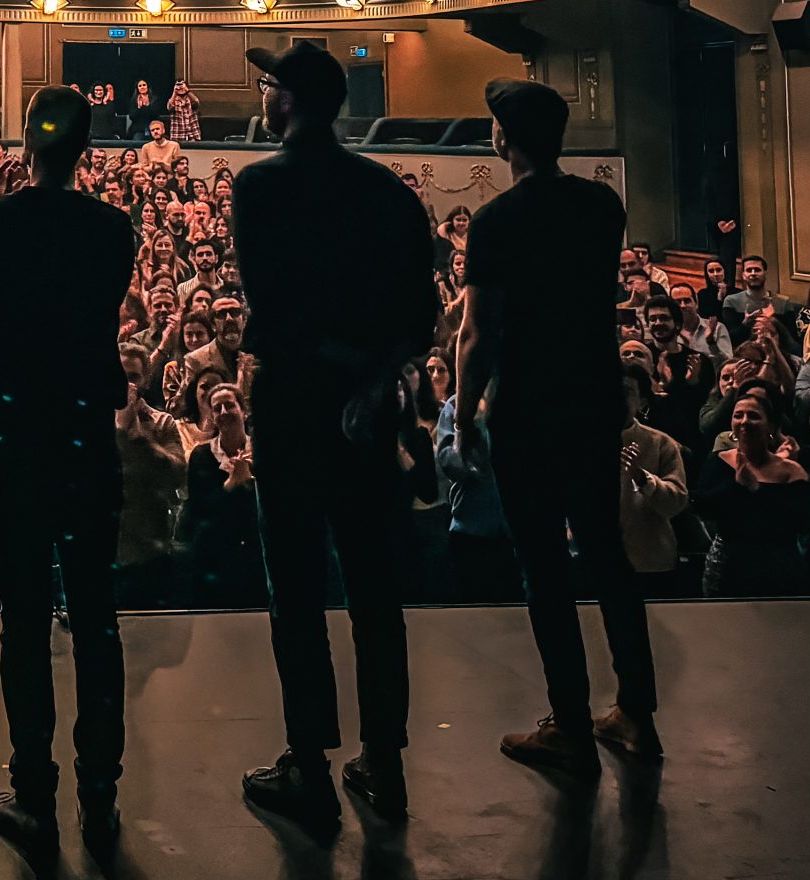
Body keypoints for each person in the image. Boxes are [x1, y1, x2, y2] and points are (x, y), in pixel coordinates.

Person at [233, 43, 438, 832]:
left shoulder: (261, 185)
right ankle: (384, 762)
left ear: (290, 101)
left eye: (269, 85)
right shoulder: (385, 190)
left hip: (292, 402)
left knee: (296, 587)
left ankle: (309, 766)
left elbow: (273, 303)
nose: (263, 95)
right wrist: (373, 376)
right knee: (375, 590)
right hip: (368, 407)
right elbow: (419, 313)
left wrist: (338, 367)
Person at [455, 77, 661, 776]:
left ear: (502, 137)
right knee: (608, 555)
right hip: (595, 395)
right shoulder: (603, 205)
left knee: (544, 567)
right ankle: (636, 714)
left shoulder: (496, 221)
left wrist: (462, 421)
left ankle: (570, 724)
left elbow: (479, 334)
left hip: (529, 405)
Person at [0, 85, 138, 858]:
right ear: (86, 148)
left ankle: (34, 786)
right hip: (84, 435)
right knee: (96, 617)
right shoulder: (112, 228)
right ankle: (101, 792)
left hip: (18, 432)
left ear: (27, 143)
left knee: (25, 618)